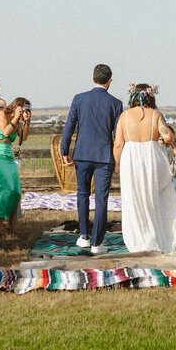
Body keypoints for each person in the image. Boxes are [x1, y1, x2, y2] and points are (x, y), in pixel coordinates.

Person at [114, 83, 176, 254]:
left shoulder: (124, 116)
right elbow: (168, 137)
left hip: (131, 157)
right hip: (152, 157)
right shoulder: (156, 115)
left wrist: (116, 164)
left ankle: (138, 240)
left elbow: (118, 144)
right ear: (151, 97)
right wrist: (169, 134)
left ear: (133, 97)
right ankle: (158, 236)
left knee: (134, 198)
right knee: (156, 197)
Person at [60, 64, 123, 254]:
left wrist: (65, 150)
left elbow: (69, 126)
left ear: (93, 78)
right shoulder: (116, 103)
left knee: (82, 194)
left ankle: (84, 236)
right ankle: (98, 243)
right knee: (102, 198)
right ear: (109, 81)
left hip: (82, 154)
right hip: (105, 155)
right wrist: (118, 159)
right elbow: (118, 136)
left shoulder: (79, 99)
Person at [0, 97, 31, 239]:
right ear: (16, 106)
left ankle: (11, 224)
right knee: (5, 189)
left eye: (27, 109)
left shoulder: (18, 121)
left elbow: (23, 138)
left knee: (17, 191)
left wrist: (27, 121)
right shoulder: (2, 115)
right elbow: (6, 132)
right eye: (23, 108)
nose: (24, 111)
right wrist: (16, 118)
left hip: (8, 154)